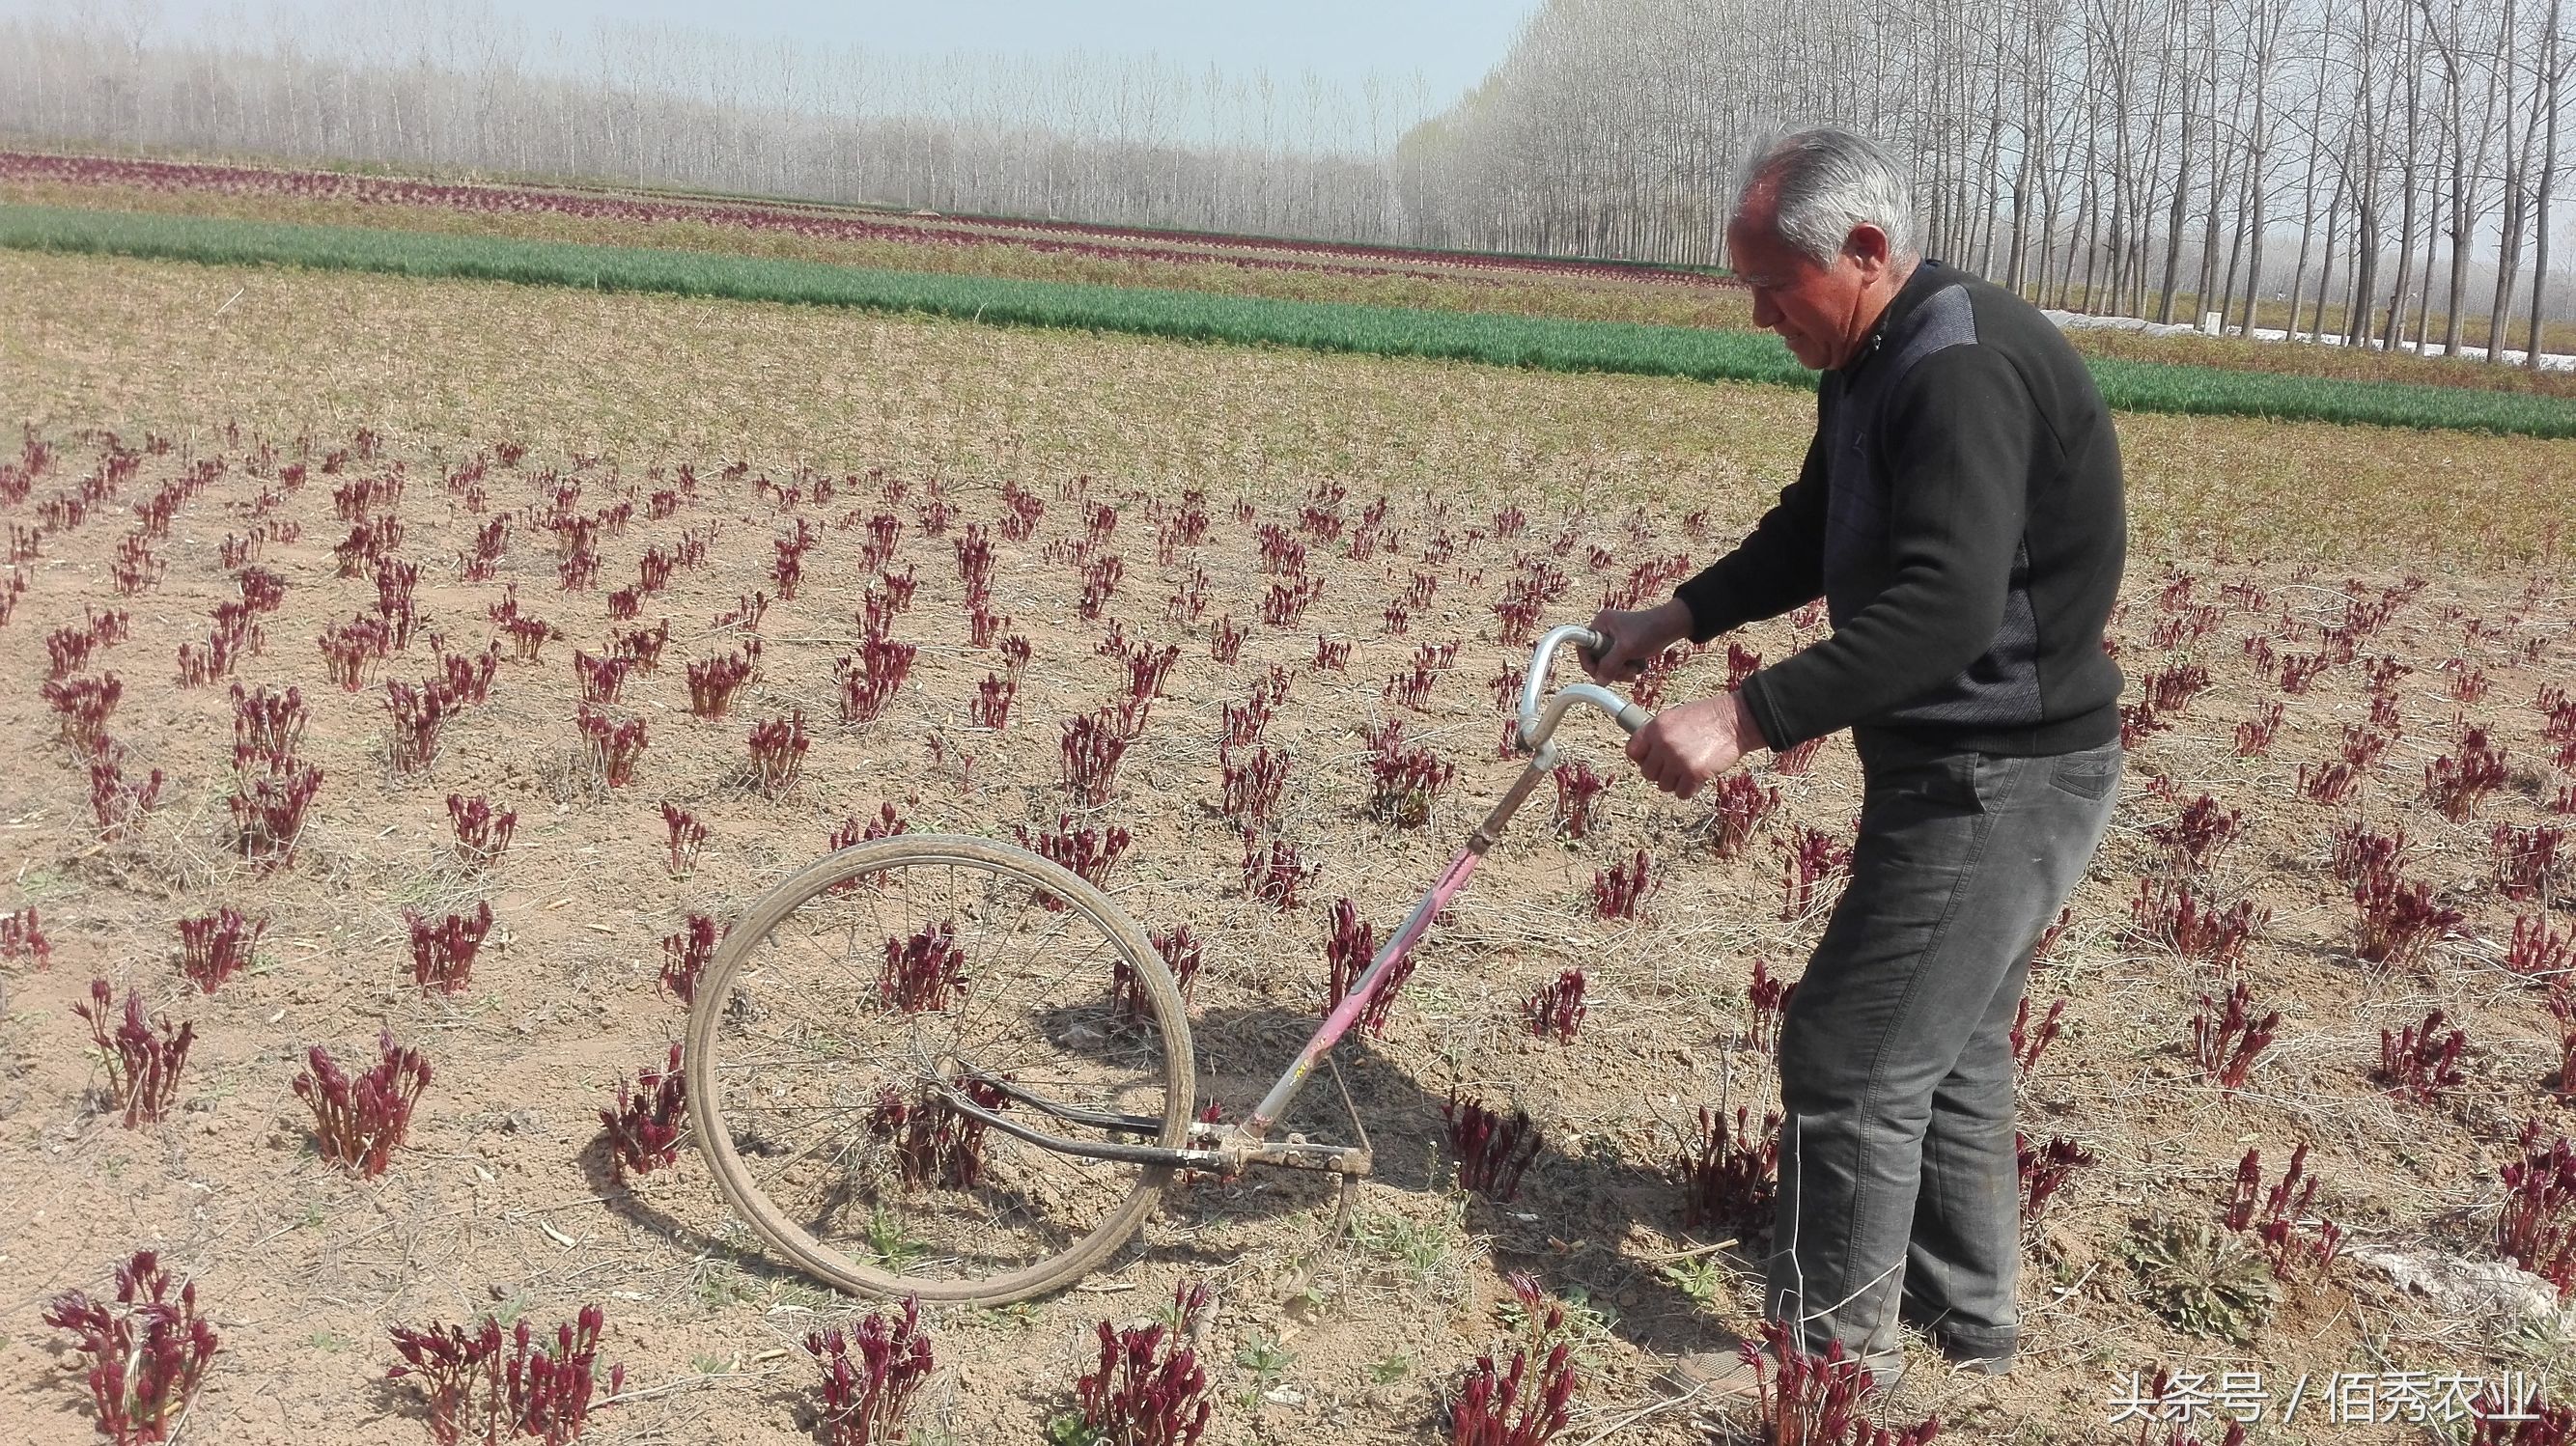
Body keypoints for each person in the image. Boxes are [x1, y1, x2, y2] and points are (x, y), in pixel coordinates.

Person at [1583, 126, 2127, 1395]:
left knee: (1852, 1050)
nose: (1761, 314)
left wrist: (1746, 715)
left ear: (1869, 250)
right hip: (1972, 764)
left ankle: (1832, 1371)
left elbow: (1943, 607)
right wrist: (1680, 615)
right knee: (1946, 1047)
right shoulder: (1876, 357)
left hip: (2002, 775)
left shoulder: (1961, 368)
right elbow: (1818, 526)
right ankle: (1967, 1328)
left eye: (1777, 286)